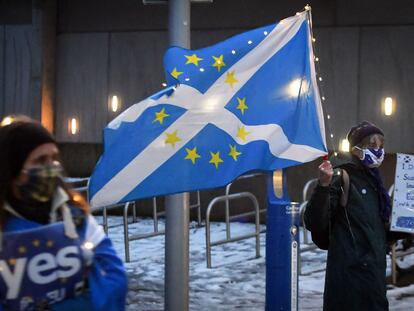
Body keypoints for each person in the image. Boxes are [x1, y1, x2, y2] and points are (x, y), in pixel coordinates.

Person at [0, 116, 127, 310]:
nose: (51, 167)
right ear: (13, 171)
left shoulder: (74, 216)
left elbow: (113, 275)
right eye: (40, 160)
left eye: (54, 158)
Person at [304, 121, 391, 311]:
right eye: (371, 145)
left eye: (381, 146)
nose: (378, 150)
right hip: (349, 282)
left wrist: (404, 225)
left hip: (374, 281)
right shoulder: (341, 176)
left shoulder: (376, 182)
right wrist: (323, 186)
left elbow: (380, 233)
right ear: (356, 149)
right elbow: (313, 220)